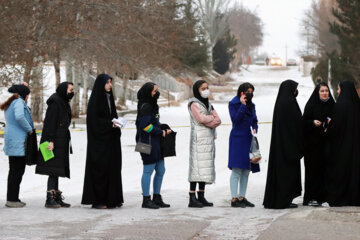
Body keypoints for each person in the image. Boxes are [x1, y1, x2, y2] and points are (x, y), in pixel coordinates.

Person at [81, 74, 124, 209]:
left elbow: (112, 116)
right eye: (107, 83)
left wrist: (117, 123)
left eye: (110, 82)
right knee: (101, 170)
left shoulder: (109, 98)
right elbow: (94, 121)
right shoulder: (96, 100)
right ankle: (99, 200)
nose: (110, 85)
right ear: (101, 84)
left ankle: (113, 198)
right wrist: (109, 124)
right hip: (99, 143)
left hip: (111, 141)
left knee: (113, 168)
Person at [263, 80, 303, 209]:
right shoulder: (289, 103)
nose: (296, 91)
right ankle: (284, 200)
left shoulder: (281, 102)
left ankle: (280, 199)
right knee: (288, 173)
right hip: (289, 145)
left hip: (281, 145)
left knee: (281, 172)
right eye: (294, 89)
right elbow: (296, 123)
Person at [36, 82, 74, 208]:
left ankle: (56, 197)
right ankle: (49, 198)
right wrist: (50, 141)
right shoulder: (55, 103)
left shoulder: (62, 101)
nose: (72, 92)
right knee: (53, 170)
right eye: (70, 89)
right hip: (53, 141)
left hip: (60, 140)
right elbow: (50, 123)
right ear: (64, 90)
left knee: (57, 170)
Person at [136, 82, 171, 209]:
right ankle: (146, 199)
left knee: (161, 170)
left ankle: (157, 197)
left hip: (156, 142)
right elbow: (145, 126)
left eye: (157, 90)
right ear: (148, 92)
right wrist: (160, 131)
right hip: (145, 142)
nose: (157, 93)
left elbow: (154, 122)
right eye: (154, 91)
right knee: (148, 170)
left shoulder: (153, 106)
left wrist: (163, 127)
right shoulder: (145, 106)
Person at [325, 81, 360, 206]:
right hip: (356, 148)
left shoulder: (340, 106)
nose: (338, 91)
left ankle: (340, 198)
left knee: (341, 172)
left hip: (341, 148)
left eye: (339, 89)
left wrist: (328, 126)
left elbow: (334, 128)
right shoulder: (357, 105)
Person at [188, 80, 221, 208]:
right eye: (203, 88)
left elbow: (218, 119)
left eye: (207, 88)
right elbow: (200, 119)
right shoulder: (194, 104)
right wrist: (211, 119)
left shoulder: (208, 104)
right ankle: (192, 197)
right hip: (199, 139)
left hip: (208, 138)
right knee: (196, 168)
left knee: (205, 168)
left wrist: (209, 120)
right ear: (197, 90)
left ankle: (201, 195)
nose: (206, 90)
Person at [302, 82, 335, 206]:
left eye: (326, 91)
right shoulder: (311, 105)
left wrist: (330, 126)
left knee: (326, 171)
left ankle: (325, 197)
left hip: (327, 145)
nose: (325, 93)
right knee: (313, 171)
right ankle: (312, 197)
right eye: (322, 91)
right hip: (312, 146)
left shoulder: (333, 105)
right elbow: (303, 122)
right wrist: (312, 123)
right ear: (317, 92)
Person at [1, 84, 33, 208]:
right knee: (17, 170)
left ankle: (13, 197)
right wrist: (29, 129)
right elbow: (19, 117)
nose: (28, 98)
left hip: (12, 138)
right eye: (27, 95)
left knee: (14, 170)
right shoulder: (18, 102)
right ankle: (12, 200)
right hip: (18, 139)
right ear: (23, 94)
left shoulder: (10, 102)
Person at [228, 82, 259, 208]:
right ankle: (234, 198)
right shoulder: (233, 103)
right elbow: (235, 120)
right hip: (237, 138)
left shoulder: (253, 105)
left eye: (251, 91)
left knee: (246, 170)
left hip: (248, 138)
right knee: (236, 169)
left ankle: (242, 196)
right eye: (247, 91)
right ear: (241, 92)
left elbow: (255, 120)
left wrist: (255, 128)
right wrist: (242, 105)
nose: (249, 94)